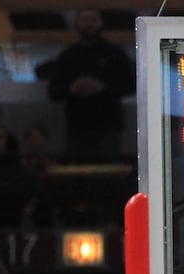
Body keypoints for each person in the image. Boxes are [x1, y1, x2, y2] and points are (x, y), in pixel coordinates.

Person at [45, 9, 135, 162]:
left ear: (101, 23)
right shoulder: (68, 56)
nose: (89, 24)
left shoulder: (115, 53)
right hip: (76, 128)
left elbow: (130, 85)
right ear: (77, 24)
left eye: (93, 19)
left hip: (109, 127)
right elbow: (54, 92)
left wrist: (103, 87)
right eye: (84, 20)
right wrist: (72, 89)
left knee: (109, 176)